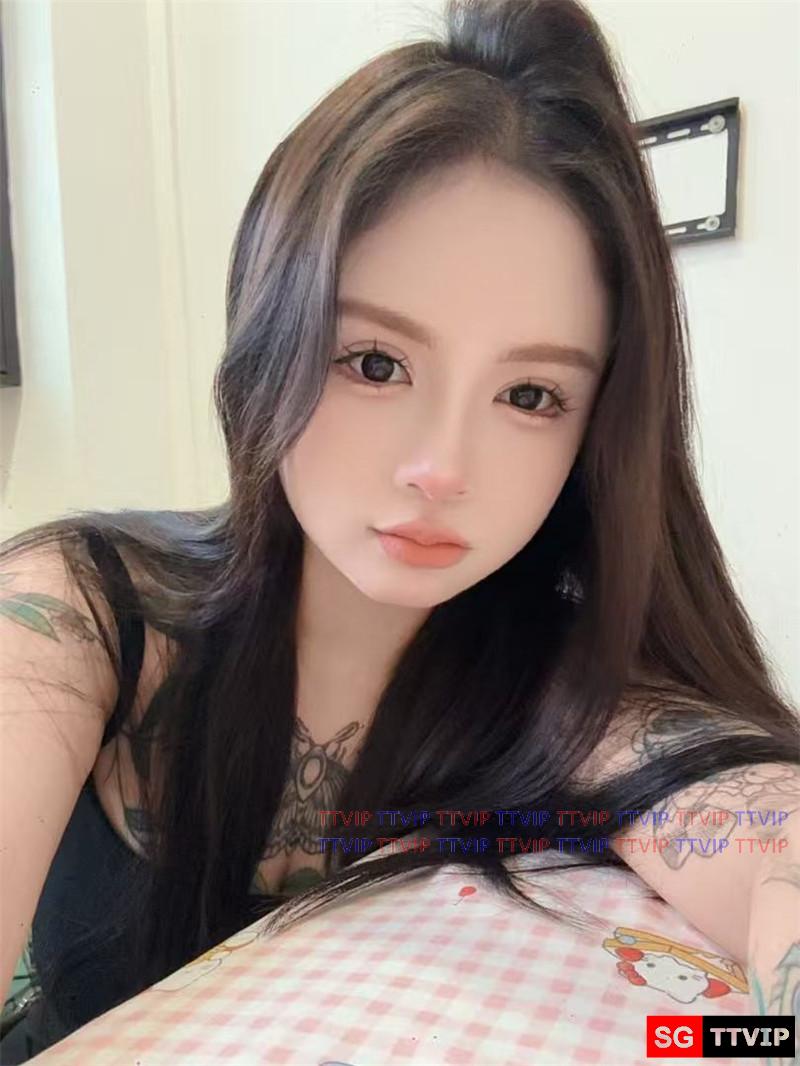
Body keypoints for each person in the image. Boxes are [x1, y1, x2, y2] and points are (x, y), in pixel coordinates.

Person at [1, 0, 798, 1060]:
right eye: (375, 363)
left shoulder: (565, 691)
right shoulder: (81, 614)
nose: (442, 468)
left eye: (529, 395)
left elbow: (773, 843)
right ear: (268, 341)